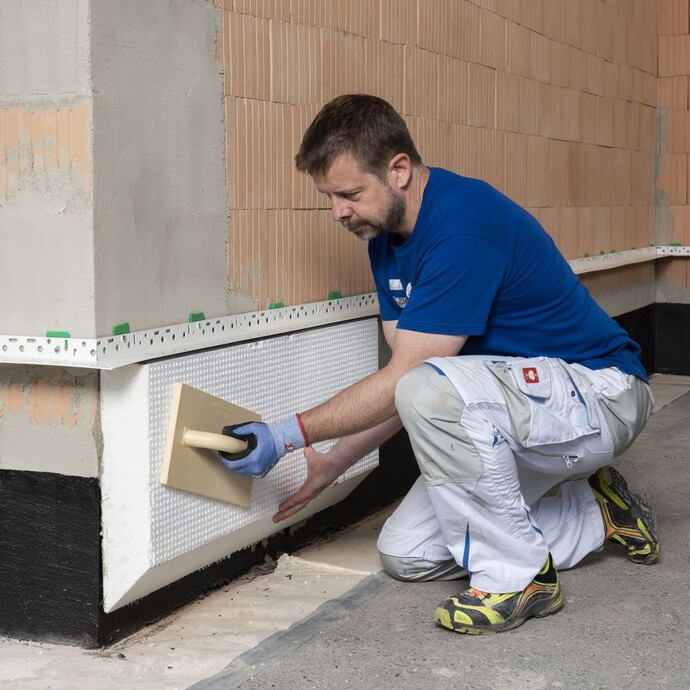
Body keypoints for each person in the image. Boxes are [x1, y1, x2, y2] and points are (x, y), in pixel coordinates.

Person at [219, 94, 659, 635]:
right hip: (510, 414)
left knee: (428, 387)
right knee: (407, 554)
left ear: (399, 169)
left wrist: (287, 434)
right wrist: (334, 461)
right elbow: (409, 386)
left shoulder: (465, 223)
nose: (337, 211)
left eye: (349, 193)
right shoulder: (383, 238)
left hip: (601, 395)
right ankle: (593, 511)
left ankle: (518, 581)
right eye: (328, 197)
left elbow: (416, 381)